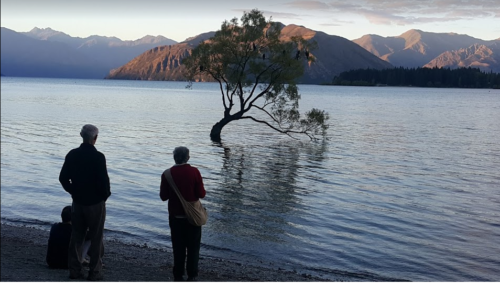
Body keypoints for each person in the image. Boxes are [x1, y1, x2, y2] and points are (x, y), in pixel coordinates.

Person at [59, 124, 111, 281]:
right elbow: (104, 182)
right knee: (96, 238)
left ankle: (75, 270)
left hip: (78, 202)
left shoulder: (72, 154)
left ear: (81, 136)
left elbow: (63, 178)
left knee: (76, 237)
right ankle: (94, 272)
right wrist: (104, 196)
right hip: (95, 203)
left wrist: (73, 191)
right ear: (95, 138)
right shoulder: (98, 157)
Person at [160, 146, 206, 281]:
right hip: (193, 217)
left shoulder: (167, 174)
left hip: (175, 217)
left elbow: (163, 197)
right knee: (193, 248)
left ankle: (178, 275)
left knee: (178, 247)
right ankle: (192, 275)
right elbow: (201, 194)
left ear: (174, 157)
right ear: (188, 158)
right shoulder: (194, 172)